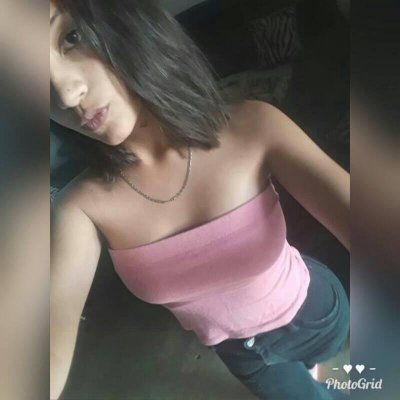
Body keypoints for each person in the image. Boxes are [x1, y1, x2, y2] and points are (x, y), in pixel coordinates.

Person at [50, 1, 350, 399]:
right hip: (242, 354)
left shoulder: (252, 127)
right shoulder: (79, 208)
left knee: (333, 363)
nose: (66, 94)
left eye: (71, 37)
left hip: (313, 311)